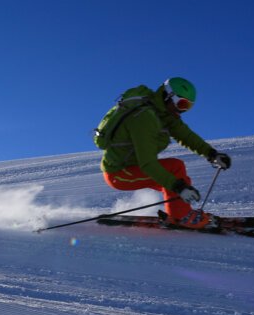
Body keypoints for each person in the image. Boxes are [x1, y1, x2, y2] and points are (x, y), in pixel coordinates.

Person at [98, 77, 232, 229]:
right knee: (174, 172)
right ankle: (182, 217)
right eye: (182, 104)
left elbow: (186, 135)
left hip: (132, 167)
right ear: (169, 96)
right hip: (119, 173)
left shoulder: (164, 114)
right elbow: (147, 163)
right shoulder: (144, 118)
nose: (182, 110)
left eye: (187, 107)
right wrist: (178, 187)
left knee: (176, 172)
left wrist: (211, 154)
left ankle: (180, 213)